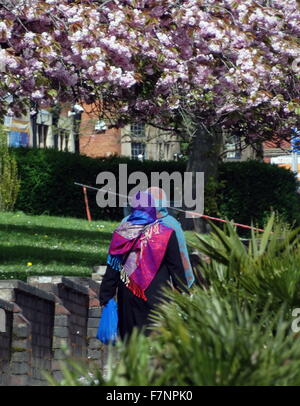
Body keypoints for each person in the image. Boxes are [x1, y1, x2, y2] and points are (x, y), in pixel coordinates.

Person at [99, 190, 189, 341]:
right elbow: (176, 268)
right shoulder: (166, 234)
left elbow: (113, 266)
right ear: (152, 208)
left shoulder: (121, 233)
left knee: (131, 339)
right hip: (158, 294)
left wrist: (106, 295)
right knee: (157, 338)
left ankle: (133, 364)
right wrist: (183, 292)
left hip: (128, 293)